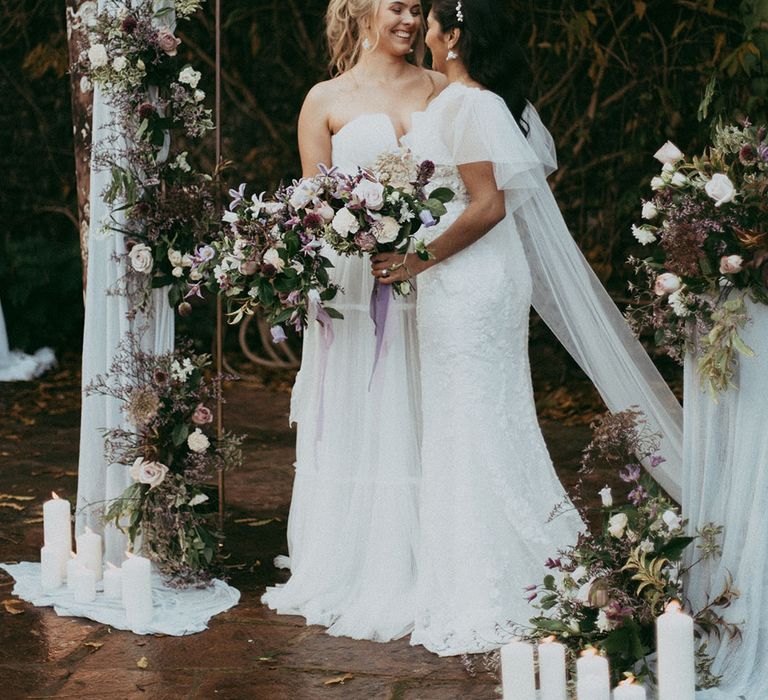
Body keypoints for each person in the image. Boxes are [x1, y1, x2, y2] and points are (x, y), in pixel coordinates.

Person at [371, 0, 684, 655]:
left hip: (472, 280)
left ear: (453, 36)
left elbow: (487, 205)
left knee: (477, 414)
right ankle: (481, 563)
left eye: (432, 23)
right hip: (452, 278)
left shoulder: (476, 106)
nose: (425, 33)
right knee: (464, 416)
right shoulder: (456, 103)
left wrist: (414, 257)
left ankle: (507, 574)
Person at [262, 0, 447, 643]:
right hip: (351, 284)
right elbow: (311, 211)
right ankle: (352, 556)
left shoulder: (443, 88)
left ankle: (430, 554)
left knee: (421, 405)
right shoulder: (325, 99)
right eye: (396, 5)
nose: (407, 19)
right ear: (363, 9)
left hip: (429, 275)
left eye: (417, 9)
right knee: (360, 408)